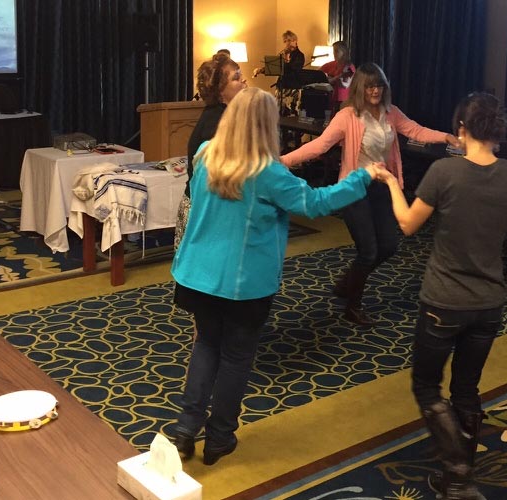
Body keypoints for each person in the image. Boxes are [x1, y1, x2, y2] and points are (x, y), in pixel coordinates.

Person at [170, 87, 387, 465]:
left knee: (206, 346)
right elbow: (316, 204)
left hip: (197, 275)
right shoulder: (268, 173)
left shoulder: (206, 154)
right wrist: (362, 177)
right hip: (242, 285)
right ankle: (219, 438)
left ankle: (185, 431)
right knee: (235, 358)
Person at [382, 92, 507, 499]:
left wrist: (392, 183)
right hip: (489, 305)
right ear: (498, 131)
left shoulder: (444, 172)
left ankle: (459, 472)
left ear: (461, 129)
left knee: (427, 387)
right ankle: (457, 480)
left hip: (443, 300)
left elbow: (408, 224)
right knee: (466, 390)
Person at [281, 63, 460, 325]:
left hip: (382, 186)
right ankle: (352, 307)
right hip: (354, 188)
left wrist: (446, 137)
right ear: (359, 88)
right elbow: (320, 145)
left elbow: (415, 130)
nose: (375, 91)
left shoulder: (391, 113)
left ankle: (347, 283)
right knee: (368, 251)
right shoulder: (348, 116)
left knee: (388, 246)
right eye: (370, 86)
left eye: (379, 85)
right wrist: (282, 161)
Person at [175, 54, 247, 248]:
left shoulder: (224, 115)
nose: (244, 81)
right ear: (220, 90)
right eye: (236, 78)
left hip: (210, 207)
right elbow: (219, 176)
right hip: (205, 211)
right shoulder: (216, 122)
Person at [253, 31, 305, 114]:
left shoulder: (300, 55)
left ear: (295, 41)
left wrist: (286, 58)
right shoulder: (283, 54)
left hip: (293, 87)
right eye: (285, 41)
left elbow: (292, 68)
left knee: (291, 113)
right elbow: (276, 67)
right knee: (278, 112)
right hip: (281, 86)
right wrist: (261, 70)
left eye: (289, 40)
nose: (287, 43)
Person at [319, 41, 355, 111]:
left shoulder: (349, 66)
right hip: (331, 99)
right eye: (333, 51)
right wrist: (329, 78)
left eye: (336, 51)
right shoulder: (332, 64)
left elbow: (345, 84)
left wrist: (332, 79)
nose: (334, 54)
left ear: (344, 52)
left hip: (343, 100)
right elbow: (317, 74)